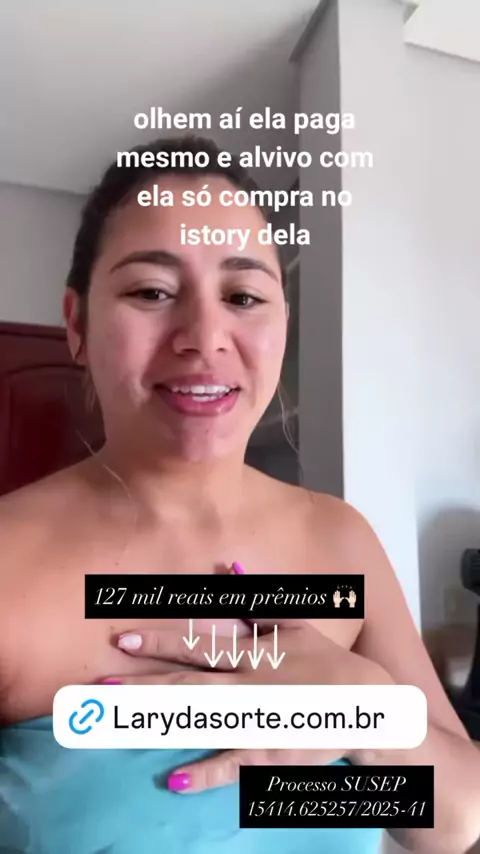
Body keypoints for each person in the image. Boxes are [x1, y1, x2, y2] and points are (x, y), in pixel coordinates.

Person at [0, 135, 479, 854]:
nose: (204, 336)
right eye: (152, 292)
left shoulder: (338, 539)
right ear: (77, 323)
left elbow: (453, 822)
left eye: (243, 296)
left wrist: (372, 716)